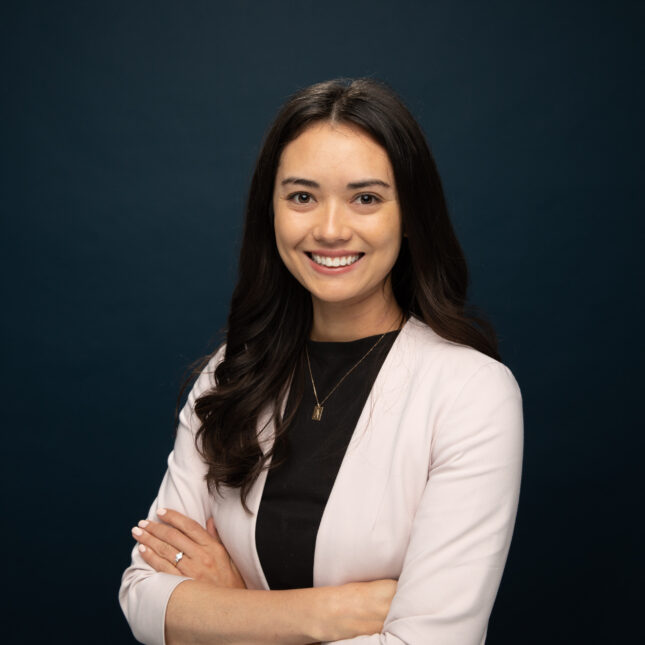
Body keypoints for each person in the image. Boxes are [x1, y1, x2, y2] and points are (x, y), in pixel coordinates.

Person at [119, 77, 523, 645]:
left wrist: (228, 611)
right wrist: (334, 613)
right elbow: (143, 595)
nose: (330, 230)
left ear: (410, 215)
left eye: (366, 198)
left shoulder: (472, 393)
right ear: (272, 212)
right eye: (302, 196)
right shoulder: (231, 372)